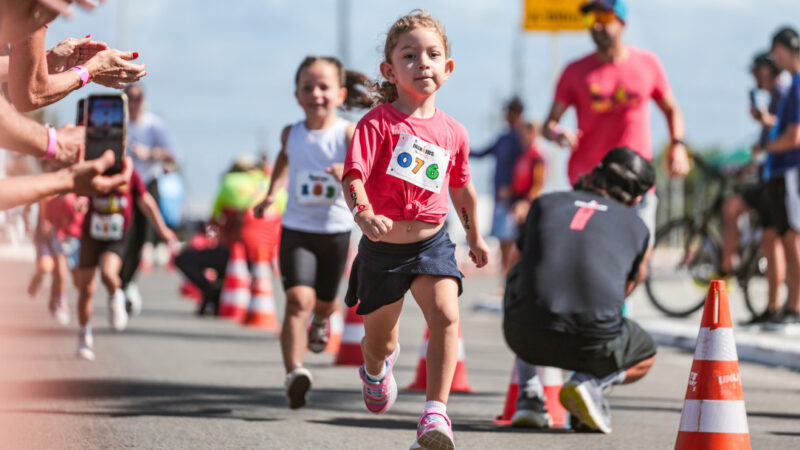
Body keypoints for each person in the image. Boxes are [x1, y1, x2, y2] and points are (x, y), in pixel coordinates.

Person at [342, 10, 488, 449]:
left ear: (448, 68)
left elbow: (462, 191)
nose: (422, 63)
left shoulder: (453, 132)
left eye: (433, 54)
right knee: (379, 341)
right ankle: (375, 370)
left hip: (432, 242)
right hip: (383, 248)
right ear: (390, 70)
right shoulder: (377, 124)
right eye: (410, 55)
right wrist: (364, 213)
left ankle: (434, 414)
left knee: (446, 314)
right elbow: (352, 177)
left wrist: (475, 236)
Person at [504, 147, 657, 433]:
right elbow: (625, 289)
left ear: (595, 174)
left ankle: (529, 397)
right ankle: (588, 382)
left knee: (529, 293)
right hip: (591, 342)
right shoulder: (636, 227)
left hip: (522, 334)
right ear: (637, 199)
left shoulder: (544, 203)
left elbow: (515, 264)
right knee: (645, 352)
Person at [252, 56, 371, 409]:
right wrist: (271, 193)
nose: (316, 94)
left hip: (335, 231)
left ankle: (321, 320)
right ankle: (294, 372)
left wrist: (347, 172)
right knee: (296, 301)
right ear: (297, 95)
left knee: (324, 302)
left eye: (324, 87)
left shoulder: (348, 133)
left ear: (340, 93)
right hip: (296, 230)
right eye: (308, 88)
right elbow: (284, 160)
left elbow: (367, 172)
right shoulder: (291, 133)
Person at [543, 0, 689, 243]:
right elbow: (549, 124)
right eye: (591, 20)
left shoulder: (648, 64)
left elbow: (672, 109)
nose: (596, 26)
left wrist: (678, 145)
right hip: (590, 181)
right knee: (590, 257)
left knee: (638, 260)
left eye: (603, 19)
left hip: (636, 181)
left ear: (622, 22)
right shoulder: (575, 71)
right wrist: (558, 134)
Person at [74, 168, 176, 361]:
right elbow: (76, 191)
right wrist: (80, 200)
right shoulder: (92, 169)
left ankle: (115, 297)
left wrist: (162, 229)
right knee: (86, 288)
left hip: (117, 235)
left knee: (108, 274)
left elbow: (146, 201)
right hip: (92, 234)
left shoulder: (130, 172)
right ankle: (84, 335)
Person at [720, 52, 788, 324]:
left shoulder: (784, 91)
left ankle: (728, 266)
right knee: (770, 242)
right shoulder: (776, 96)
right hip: (769, 174)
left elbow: (789, 130)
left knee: (733, 208)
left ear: (766, 70)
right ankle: (772, 307)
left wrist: (766, 121)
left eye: (755, 70)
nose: (753, 76)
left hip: (781, 176)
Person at [119, 83, 180, 312]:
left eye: (137, 98)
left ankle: (128, 284)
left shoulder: (154, 125)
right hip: (122, 184)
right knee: (121, 234)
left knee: (140, 237)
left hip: (146, 183)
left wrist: (150, 153)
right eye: (129, 98)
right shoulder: (119, 122)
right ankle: (119, 282)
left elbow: (173, 155)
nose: (133, 103)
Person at [755, 27, 800, 326]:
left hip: (790, 171)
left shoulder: (796, 85)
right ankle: (786, 305)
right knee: (780, 236)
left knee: (792, 237)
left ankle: (795, 307)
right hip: (782, 172)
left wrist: (764, 147)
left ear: (782, 50)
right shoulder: (793, 85)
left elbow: (794, 137)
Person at [470, 97, 524, 276]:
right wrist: (460, 150)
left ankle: (512, 280)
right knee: (503, 240)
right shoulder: (503, 138)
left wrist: (513, 188)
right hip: (499, 197)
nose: (505, 116)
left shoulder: (521, 138)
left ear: (516, 114)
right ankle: (505, 280)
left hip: (513, 199)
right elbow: (484, 152)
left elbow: (525, 166)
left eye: (508, 113)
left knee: (514, 241)